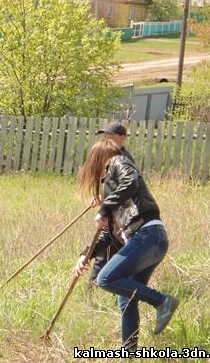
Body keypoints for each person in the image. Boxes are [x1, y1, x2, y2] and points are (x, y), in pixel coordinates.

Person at [75, 139, 178, 353]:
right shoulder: (112, 188)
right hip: (148, 240)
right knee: (126, 300)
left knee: (105, 278)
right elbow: (107, 234)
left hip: (148, 236)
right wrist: (86, 256)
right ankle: (129, 354)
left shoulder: (118, 161)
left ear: (97, 158)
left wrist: (104, 207)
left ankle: (162, 301)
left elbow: (131, 182)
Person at [89, 121, 135, 284]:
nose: (105, 138)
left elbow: (124, 187)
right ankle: (95, 285)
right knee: (103, 251)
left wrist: (106, 204)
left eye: (110, 135)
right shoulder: (106, 154)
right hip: (109, 209)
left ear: (122, 137)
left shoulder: (124, 159)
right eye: (104, 135)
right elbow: (104, 180)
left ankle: (102, 285)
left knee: (110, 250)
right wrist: (98, 195)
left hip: (119, 215)